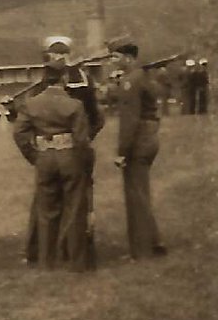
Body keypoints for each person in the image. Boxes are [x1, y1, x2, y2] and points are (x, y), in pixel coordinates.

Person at [21, 36, 105, 265]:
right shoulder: (78, 84)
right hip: (72, 149)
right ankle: (72, 255)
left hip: (55, 151)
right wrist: (84, 142)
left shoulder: (55, 84)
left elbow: (95, 118)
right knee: (76, 203)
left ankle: (43, 255)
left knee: (49, 204)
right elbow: (97, 118)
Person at [12, 59, 93, 271]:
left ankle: (46, 262)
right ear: (64, 78)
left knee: (46, 210)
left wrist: (34, 156)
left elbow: (19, 133)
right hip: (69, 156)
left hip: (44, 157)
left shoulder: (32, 103)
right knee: (75, 209)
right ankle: (77, 262)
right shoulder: (75, 105)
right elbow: (82, 140)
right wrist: (85, 163)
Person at [107, 36, 168, 260]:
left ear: (127, 57)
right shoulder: (139, 76)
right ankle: (154, 242)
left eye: (115, 57)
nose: (112, 61)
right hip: (149, 138)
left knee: (136, 196)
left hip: (138, 141)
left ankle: (142, 252)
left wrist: (122, 152)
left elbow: (129, 121)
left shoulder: (131, 81)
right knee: (141, 193)